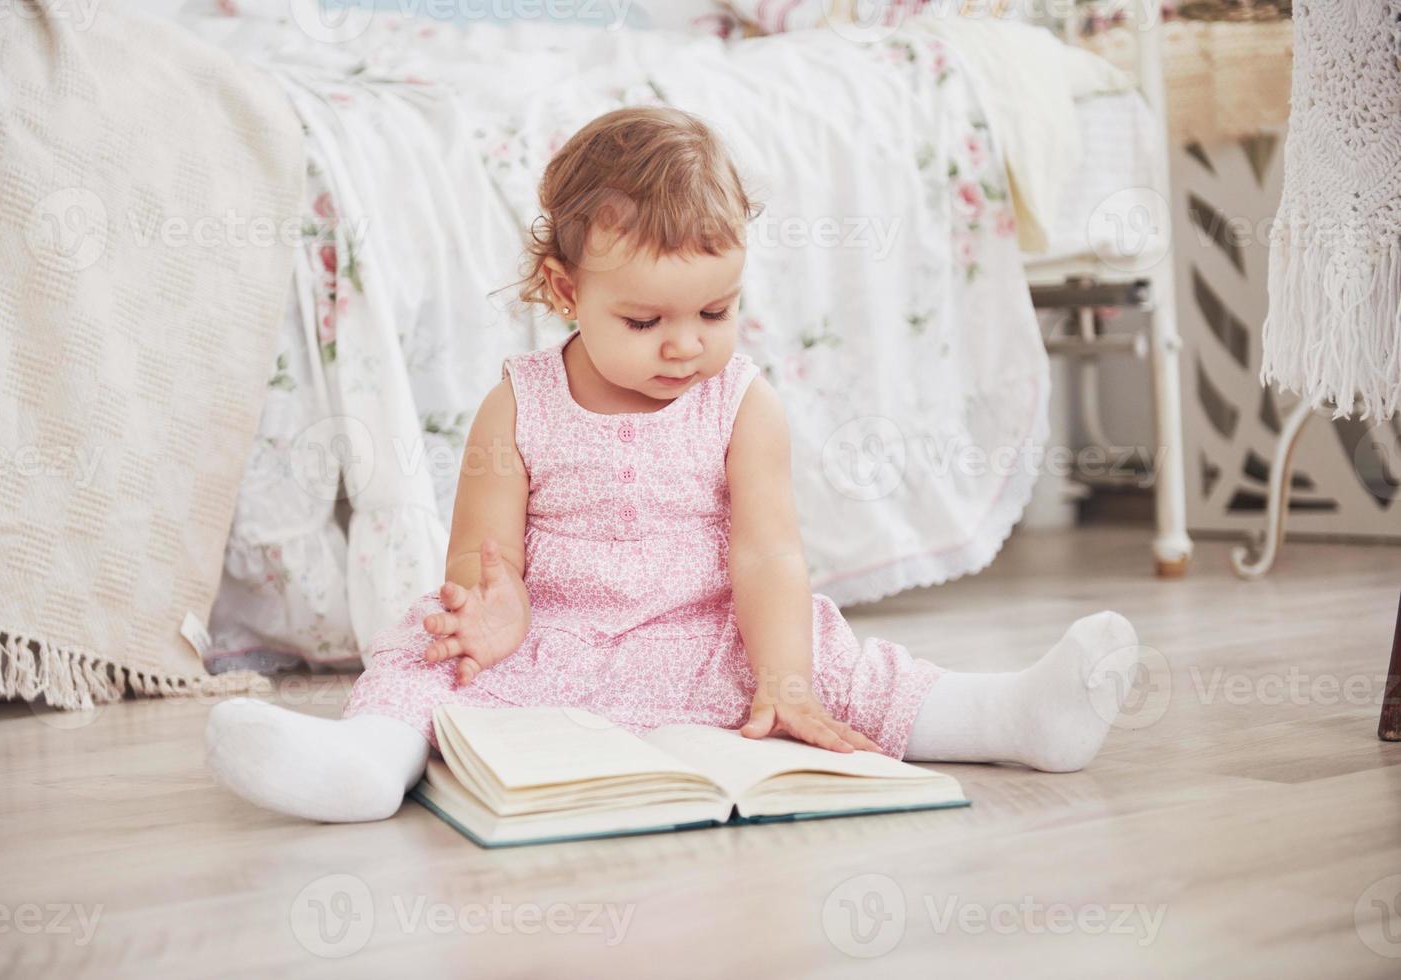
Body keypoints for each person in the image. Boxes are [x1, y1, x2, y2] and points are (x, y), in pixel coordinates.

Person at [205, 105, 1141, 823]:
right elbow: (484, 562)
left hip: (708, 638)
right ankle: (366, 764)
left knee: (837, 666)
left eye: (715, 311)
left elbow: (769, 557)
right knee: (421, 657)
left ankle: (1013, 719)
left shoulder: (743, 404)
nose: (686, 346)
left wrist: (781, 677)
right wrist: (491, 617)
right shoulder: (517, 402)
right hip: (552, 645)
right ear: (566, 292)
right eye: (645, 322)